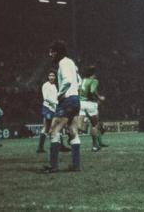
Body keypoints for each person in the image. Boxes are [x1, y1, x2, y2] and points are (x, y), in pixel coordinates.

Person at [41, 40, 81, 173]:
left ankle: (53, 166)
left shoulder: (62, 63)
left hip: (67, 100)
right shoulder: (71, 62)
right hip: (75, 100)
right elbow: (78, 81)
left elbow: (68, 81)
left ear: (57, 52)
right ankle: (75, 165)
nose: (50, 54)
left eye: (51, 51)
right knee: (73, 131)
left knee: (54, 131)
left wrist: (59, 94)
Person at [79, 65, 107, 152]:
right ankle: (95, 146)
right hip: (90, 104)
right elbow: (92, 91)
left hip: (81, 103)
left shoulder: (83, 80)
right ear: (94, 73)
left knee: (80, 127)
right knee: (95, 125)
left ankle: (72, 131)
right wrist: (99, 97)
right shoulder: (94, 80)